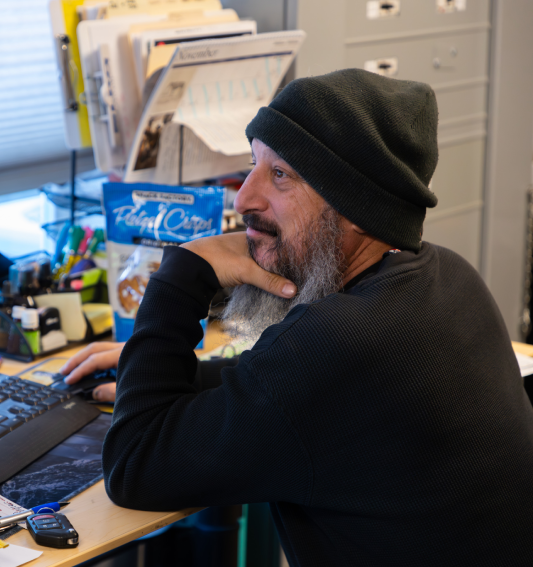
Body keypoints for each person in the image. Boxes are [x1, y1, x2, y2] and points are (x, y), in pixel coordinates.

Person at [62, 68, 533, 566]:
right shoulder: (448, 277)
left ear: (356, 205)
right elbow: (311, 389)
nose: (244, 198)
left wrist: (185, 272)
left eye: (281, 174)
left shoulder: (337, 343)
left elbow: (134, 466)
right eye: (253, 164)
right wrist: (153, 371)